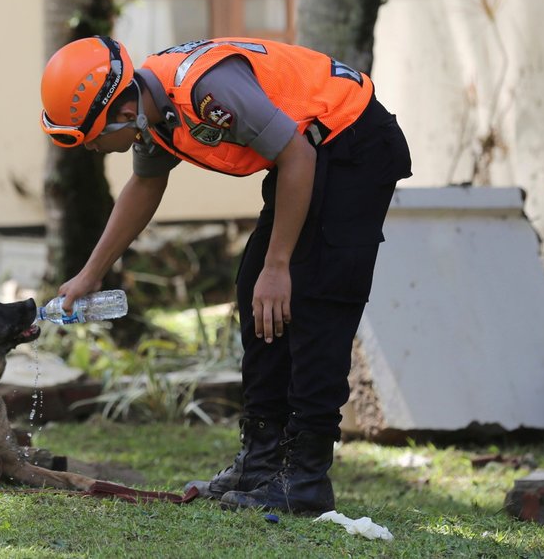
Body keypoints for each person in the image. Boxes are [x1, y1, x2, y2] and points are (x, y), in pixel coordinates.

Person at [38, 35, 412, 514]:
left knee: (312, 299)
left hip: (354, 143)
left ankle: (304, 478)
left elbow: (297, 156)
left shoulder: (205, 91)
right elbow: (146, 184)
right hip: (310, 154)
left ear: (117, 110)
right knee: (254, 292)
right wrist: (91, 272)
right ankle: (260, 463)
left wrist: (279, 267)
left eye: (91, 139)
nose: (93, 149)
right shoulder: (152, 112)